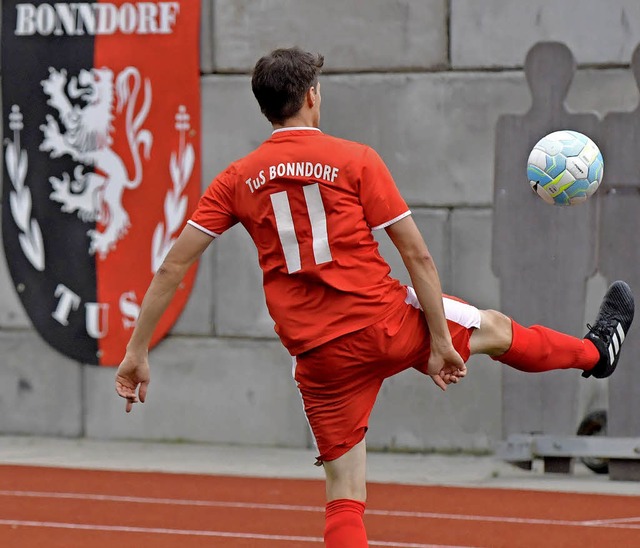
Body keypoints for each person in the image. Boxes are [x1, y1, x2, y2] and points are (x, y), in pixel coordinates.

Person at [115, 47, 635, 547]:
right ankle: (595, 353)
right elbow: (418, 257)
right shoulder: (354, 159)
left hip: (317, 356)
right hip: (384, 323)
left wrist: (137, 351)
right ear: (313, 97)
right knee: (496, 329)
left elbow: (173, 266)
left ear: (265, 108)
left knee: (344, 496)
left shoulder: (235, 179)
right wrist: (438, 341)